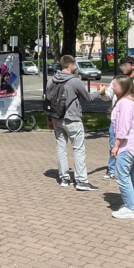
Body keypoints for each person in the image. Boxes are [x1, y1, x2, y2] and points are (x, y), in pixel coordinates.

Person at [98, 57, 134, 181]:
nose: (123, 68)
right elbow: (108, 95)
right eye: (121, 65)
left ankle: (128, 169)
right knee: (114, 143)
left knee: (130, 145)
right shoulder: (117, 80)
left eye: (126, 65)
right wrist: (102, 92)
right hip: (118, 120)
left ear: (133, 66)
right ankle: (112, 169)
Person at [49, 55, 101, 190]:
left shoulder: (51, 80)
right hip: (72, 119)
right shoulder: (74, 81)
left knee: (61, 148)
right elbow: (88, 98)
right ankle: (81, 180)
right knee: (78, 149)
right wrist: (99, 92)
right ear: (70, 65)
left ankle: (64, 178)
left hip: (56, 118)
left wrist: (49, 118)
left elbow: (48, 100)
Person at [109, 75, 134, 219]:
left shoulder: (125, 103)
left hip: (127, 146)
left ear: (123, 87)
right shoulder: (131, 101)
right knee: (133, 174)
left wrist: (116, 145)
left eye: (114, 85)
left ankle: (130, 207)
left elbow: (123, 127)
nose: (112, 87)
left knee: (122, 176)